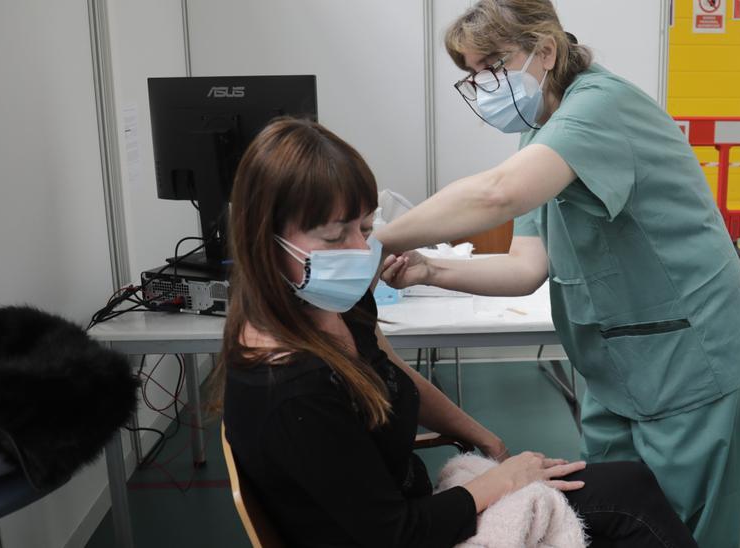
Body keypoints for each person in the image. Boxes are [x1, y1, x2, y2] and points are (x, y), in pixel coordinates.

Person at [374, 1, 740, 545]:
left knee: (680, 527)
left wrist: (369, 240)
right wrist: (427, 268)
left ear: (547, 50)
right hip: (614, 361)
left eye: (493, 64)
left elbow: (498, 194)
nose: (482, 83)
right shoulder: (540, 130)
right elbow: (524, 266)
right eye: (471, 73)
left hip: (687, 354)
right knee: (613, 513)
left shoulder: (601, 108)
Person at [216, 117, 698, 547]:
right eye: (335, 235)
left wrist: (486, 440)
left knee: (630, 489)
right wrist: (503, 480)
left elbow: (388, 373)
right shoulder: (291, 393)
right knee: (629, 507)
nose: (361, 249)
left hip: (423, 510)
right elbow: (397, 534)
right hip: (412, 530)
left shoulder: (328, 304)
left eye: (365, 227)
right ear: (266, 240)